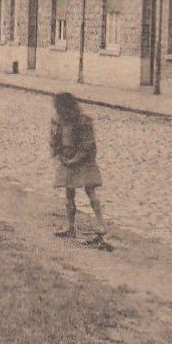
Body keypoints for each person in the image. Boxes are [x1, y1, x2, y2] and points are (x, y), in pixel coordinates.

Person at [50, 92, 109, 249]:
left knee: (90, 190)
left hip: (84, 161)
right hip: (67, 159)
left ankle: (100, 224)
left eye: (61, 107)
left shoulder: (84, 122)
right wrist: (60, 155)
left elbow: (87, 145)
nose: (58, 111)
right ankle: (71, 227)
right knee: (69, 193)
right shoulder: (58, 121)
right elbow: (54, 142)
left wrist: (75, 159)